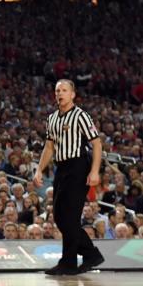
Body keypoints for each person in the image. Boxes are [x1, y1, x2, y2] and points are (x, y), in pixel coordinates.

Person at [34, 79, 104, 275]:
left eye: (64, 90)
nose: (60, 93)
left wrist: (94, 171)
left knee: (70, 218)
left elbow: (97, 144)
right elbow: (49, 147)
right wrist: (39, 170)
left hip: (78, 166)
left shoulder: (81, 116)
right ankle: (89, 255)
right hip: (61, 167)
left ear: (73, 94)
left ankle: (69, 262)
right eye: (57, 90)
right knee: (59, 217)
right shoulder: (52, 118)